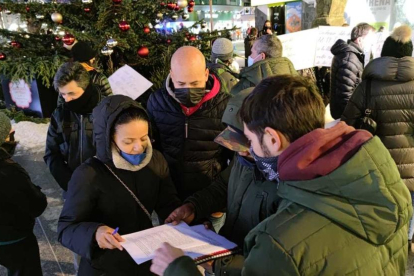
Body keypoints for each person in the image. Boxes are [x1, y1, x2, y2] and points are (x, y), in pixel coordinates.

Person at [150, 75, 412, 276]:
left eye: (250, 141)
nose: (246, 150)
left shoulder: (281, 240)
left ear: (272, 139)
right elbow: (226, 184)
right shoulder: (380, 182)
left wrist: (179, 269)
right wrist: (196, 206)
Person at [58, 95, 181, 275]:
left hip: (145, 261)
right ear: (109, 140)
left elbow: (167, 202)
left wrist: (179, 217)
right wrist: (95, 233)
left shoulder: (155, 161)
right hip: (105, 265)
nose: (138, 147)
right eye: (128, 141)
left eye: (144, 138)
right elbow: (66, 229)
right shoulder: (89, 173)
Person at [164, 88, 281, 275]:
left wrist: (218, 264)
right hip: (226, 254)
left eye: (248, 142)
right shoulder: (244, 158)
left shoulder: (287, 183)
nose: (241, 151)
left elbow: (274, 264)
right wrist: (193, 207)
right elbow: (223, 187)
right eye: (237, 143)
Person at [342, 25, 414, 252]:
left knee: (377, 225)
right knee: (407, 219)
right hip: (412, 174)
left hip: (374, 169)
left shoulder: (369, 85)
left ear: (383, 52)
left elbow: (346, 125)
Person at [147, 46, 233, 231]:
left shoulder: (226, 105)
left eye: (195, 84)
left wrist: (221, 203)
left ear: (206, 74)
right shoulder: (157, 102)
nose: (188, 90)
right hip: (171, 202)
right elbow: (155, 153)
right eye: (181, 83)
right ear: (171, 74)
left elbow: (234, 160)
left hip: (211, 202)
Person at [0, 112, 48, 276]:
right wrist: (37, 191)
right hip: (15, 240)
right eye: (9, 132)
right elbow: (36, 205)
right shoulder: (10, 171)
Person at [44, 62, 103, 194]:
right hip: (73, 187)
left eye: (71, 93)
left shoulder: (106, 112)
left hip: (105, 187)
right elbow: (51, 153)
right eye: (63, 94)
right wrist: (69, 183)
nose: (67, 100)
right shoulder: (60, 114)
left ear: (86, 88)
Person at [330, 23, 375, 119]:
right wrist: (354, 118)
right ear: (359, 40)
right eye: (370, 40)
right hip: (345, 117)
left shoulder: (353, 56)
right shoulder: (349, 58)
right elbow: (345, 96)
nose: (372, 44)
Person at [231, 34, 297, 95]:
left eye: (252, 52)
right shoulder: (297, 82)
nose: (250, 56)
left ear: (262, 56)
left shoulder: (245, 86)